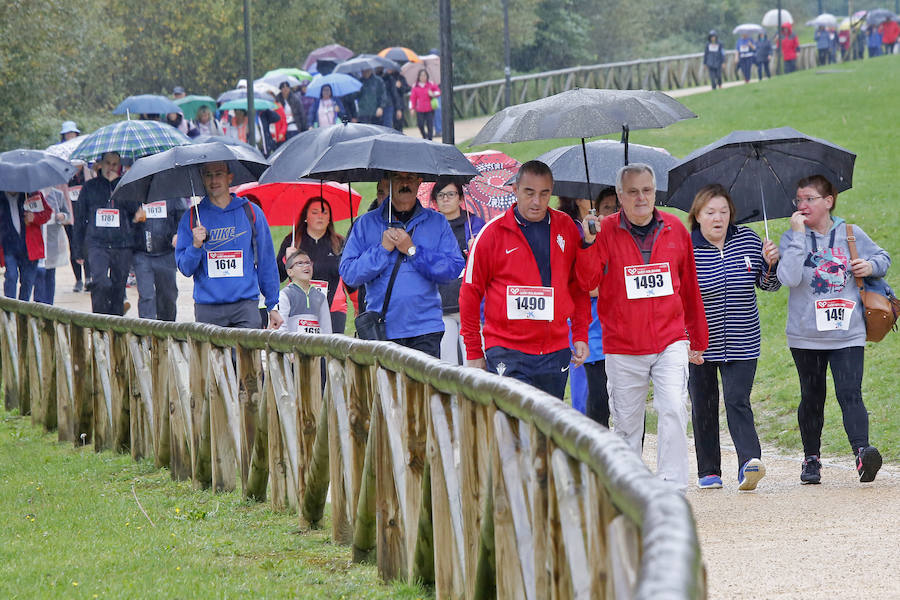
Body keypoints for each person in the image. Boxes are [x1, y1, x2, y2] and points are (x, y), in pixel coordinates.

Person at [577, 164, 708, 491]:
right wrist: (589, 242)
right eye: (633, 191)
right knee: (626, 424)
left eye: (647, 190)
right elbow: (587, 281)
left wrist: (698, 336)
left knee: (674, 408)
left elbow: (689, 285)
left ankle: (671, 488)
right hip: (623, 344)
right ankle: (630, 490)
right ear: (620, 195)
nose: (641, 198)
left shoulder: (675, 228)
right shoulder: (604, 230)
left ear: (655, 192)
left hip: (670, 339)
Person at [777, 175, 889, 484]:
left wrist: (870, 266)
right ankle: (811, 460)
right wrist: (798, 237)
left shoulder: (850, 233)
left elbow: (883, 258)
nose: (803, 205)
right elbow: (787, 278)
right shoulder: (791, 238)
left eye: (809, 198)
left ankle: (862, 455)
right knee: (811, 396)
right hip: (805, 335)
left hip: (847, 332)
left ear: (829, 201)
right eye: (799, 199)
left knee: (850, 393)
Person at [460, 161, 591, 399]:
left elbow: (579, 286)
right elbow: (469, 293)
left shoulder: (567, 228)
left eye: (544, 194)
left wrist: (580, 334)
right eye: (529, 193)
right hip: (507, 350)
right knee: (512, 430)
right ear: (514, 189)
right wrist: (473, 351)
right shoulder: (491, 234)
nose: (537, 202)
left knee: (547, 431)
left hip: (555, 350)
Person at [688, 184, 781, 491]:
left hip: (743, 338)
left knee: (737, 400)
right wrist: (686, 338)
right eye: (710, 212)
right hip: (698, 342)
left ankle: (749, 464)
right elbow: (678, 296)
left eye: (724, 212)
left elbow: (769, 286)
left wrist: (771, 264)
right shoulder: (686, 247)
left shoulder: (749, 241)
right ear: (697, 216)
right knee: (703, 403)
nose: (718, 218)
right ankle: (709, 471)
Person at [339, 171, 465, 358]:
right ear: (388, 182)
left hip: (426, 329)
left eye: (410, 178)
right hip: (383, 329)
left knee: (424, 388)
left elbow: (453, 269)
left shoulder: (437, 222)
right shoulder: (365, 224)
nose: (405, 183)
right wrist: (382, 250)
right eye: (398, 178)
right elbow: (349, 273)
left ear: (419, 182)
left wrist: (413, 250)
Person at [175, 161, 282, 329]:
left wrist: (272, 304)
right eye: (208, 175)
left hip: (245, 307)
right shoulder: (191, 218)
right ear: (202, 179)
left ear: (230, 178)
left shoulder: (251, 212)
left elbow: (266, 261)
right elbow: (185, 269)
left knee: (245, 356)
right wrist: (195, 246)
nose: (213, 180)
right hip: (208, 309)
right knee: (210, 357)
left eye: (219, 174)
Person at [559, 189, 618, 424]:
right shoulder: (569, 230)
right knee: (587, 401)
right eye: (585, 195)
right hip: (587, 323)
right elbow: (580, 284)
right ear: (574, 198)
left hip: (616, 325)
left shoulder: (616, 230)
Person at [74, 152, 137, 315]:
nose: (111, 167)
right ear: (100, 164)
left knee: (118, 287)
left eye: (115, 164)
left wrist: (117, 187)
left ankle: (115, 326)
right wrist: (77, 249)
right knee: (101, 283)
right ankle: (99, 322)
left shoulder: (126, 186)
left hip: (122, 244)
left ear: (120, 166)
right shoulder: (89, 187)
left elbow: (134, 211)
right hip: (97, 243)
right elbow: (80, 218)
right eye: (108, 163)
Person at [275, 197, 348, 334]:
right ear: (306, 217)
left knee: (332, 351)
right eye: (315, 212)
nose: (320, 216)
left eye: (325, 213)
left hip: (334, 307)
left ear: (329, 218)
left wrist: (358, 304)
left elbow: (350, 276)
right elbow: (278, 276)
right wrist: (287, 259)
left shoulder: (339, 242)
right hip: (299, 307)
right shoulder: (292, 241)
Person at [431, 178, 484, 365]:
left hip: (471, 304)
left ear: (460, 198)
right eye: (441, 195)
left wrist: (476, 250)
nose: (446, 199)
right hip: (441, 304)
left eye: (451, 194)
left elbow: (487, 261)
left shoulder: (474, 224)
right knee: (447, 363)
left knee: (475, 363)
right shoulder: (430, 226)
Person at [132, 196, 186, 321]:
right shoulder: (136, 195)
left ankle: (167, 331)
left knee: (168, 296)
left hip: (166, 253)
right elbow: (124, 221)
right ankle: (147, 334)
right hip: (142, 254)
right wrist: (134, 220)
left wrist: (179, 234)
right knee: (147, 296)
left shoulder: (173, 195)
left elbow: (183, 218)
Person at [0, 190, 52, 300]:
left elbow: (47, 213)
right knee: (11, 276)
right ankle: (10, 309)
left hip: (29, 247)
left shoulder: (32, 194)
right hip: (8, 246)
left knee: (27, 281)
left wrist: (35, 217)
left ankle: (22, 312)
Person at [33, 186, 73, 304]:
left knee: (50, 274)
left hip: (53, 240)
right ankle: (38, 303)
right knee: (38, 272)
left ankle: (49, 304)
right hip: (37, 238)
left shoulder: (58, 195)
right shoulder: (32, 194)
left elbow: (68, 216)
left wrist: (62, 216)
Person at [278, 250, 332, 335]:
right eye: (300, 263)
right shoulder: (285, 295)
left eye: (308, 263)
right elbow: (280, 327)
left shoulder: (320, 297)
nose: (306, 266)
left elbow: (326, 329)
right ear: (290, 272)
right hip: (292, 346)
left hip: (314, 346)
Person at [409, 70, 440, 140]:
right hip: (420, 109)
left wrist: (432, 94)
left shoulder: (431, 84)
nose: (423, 77)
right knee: (420, 124)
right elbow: (412, 98)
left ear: (427, 76)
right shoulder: (415, 86)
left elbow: (438, 92)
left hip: (429, 109)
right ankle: (424, 136)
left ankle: (430, 139)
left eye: (424, 75)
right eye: (421, 75)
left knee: (430, 125)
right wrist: (412, 108)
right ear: (419, 77)